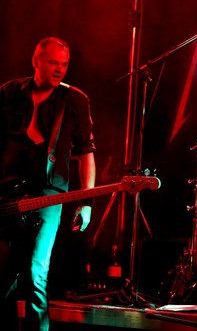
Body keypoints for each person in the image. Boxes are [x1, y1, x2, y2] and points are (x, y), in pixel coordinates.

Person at [0, 37, 96, 331]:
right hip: (6, 194)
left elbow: (86, 154)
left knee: (35, 272)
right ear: (36, 61)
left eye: (64, 64)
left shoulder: (74, 100)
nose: (59, 69)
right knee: (4, 277)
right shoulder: (9, 92)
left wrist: (87, 202)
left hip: (48, 196)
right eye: (53, 62)